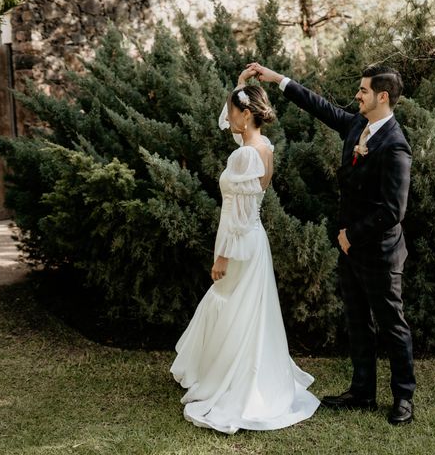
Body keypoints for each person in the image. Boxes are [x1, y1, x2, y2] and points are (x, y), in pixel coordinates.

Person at [248, 62, 416, 425]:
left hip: (380, 253)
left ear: (382, 96)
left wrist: (351, 235)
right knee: (358, 321)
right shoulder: (358, 124)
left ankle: (403, 397)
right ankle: (362, 391)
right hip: (350, 249)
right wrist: (279, 80)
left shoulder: (396, 146)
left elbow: (393, 211)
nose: (357, 95)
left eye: (363, 90)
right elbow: (320, 106)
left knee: (392, 325)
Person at [170, 68, 320, 434]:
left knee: (232, 305)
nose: (229, 117)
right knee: (247, 310)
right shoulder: (262, 148)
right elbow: (232, 127)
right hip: (255, 241)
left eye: (234, 110)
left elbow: (234, 217)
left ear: (247, 114)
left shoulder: (243, 158)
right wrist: (239, 88)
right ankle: (247, 372)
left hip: (239, 242)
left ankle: (233, 380)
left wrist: (221, 256)